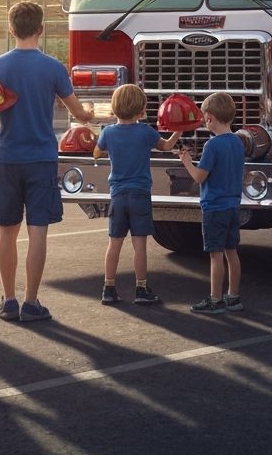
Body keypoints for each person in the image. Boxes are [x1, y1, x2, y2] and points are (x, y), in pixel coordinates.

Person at [0, 0, 94, 322]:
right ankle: (31, 302)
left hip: (7, 158)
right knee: (38, 232)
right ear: (41, 30)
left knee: (7, 231)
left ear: (11, 29)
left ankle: (8, 300)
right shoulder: (53, 68)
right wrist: (87, 114)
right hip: (41, 159)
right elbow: (77, 111)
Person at [93, 83, 181, 305]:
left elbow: (96, 154)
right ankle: (141, 289)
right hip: (140, 193)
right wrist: (179, 129)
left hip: (118, 195)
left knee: (114, 243)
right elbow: (166, 146)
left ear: (115, 108)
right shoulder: (145, 132)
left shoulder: (108, 133)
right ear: (141, 109)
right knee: (139, 244)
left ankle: (108, 288)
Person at [176, 92, 246, 314]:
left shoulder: (211, 146)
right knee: (231, 252)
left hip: (214, 207)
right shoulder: (237, 142)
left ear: (209, 118)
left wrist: (187, 161)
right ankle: (233, 296)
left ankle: (215, 299)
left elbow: (199, 177)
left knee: (215, 255)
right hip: (233, 206)